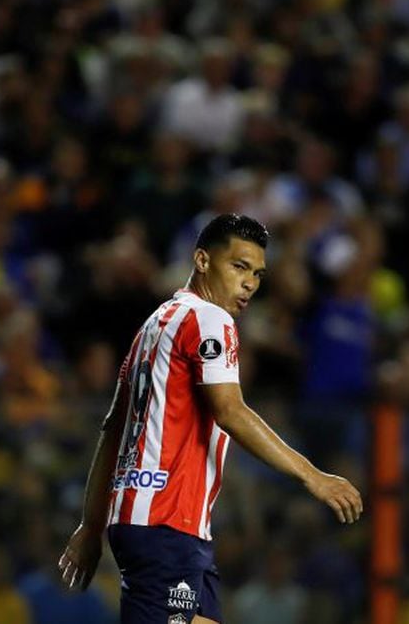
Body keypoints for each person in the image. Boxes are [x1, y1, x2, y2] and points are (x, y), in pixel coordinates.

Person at [57, 214, 363, 624]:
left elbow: (114, 429)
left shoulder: (154, 324)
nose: (250, 282)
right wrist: (313, 476)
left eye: (257, 273)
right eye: (239, 266)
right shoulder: (210, 319)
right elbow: (229, 410)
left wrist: (92, 525)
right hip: (166, 524)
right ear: (202, 260)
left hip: (157, 524)